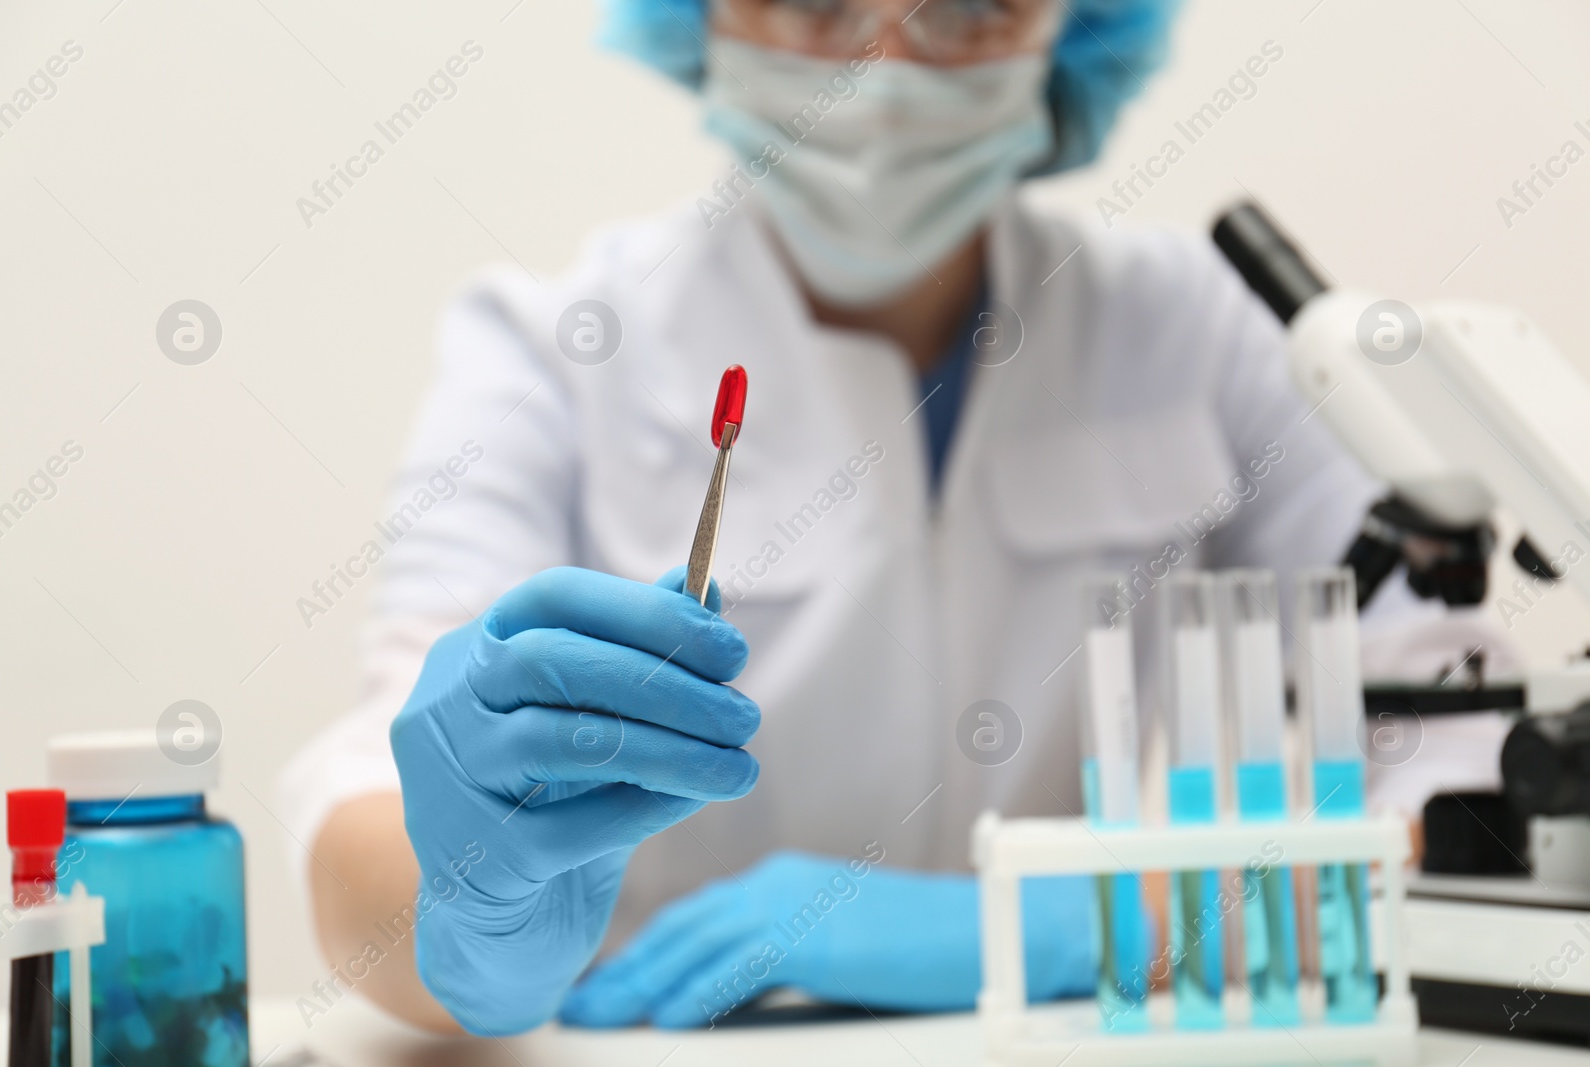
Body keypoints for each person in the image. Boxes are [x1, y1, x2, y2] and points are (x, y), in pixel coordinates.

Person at [279, 0, 1508, 1037]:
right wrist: (471, 918)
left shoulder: (1195, 331)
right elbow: (372, 798)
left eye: (969, 6)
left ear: (1071, 24)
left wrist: (1103, 914)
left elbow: (1468, 798)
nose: (885, 68)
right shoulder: (556, 349)